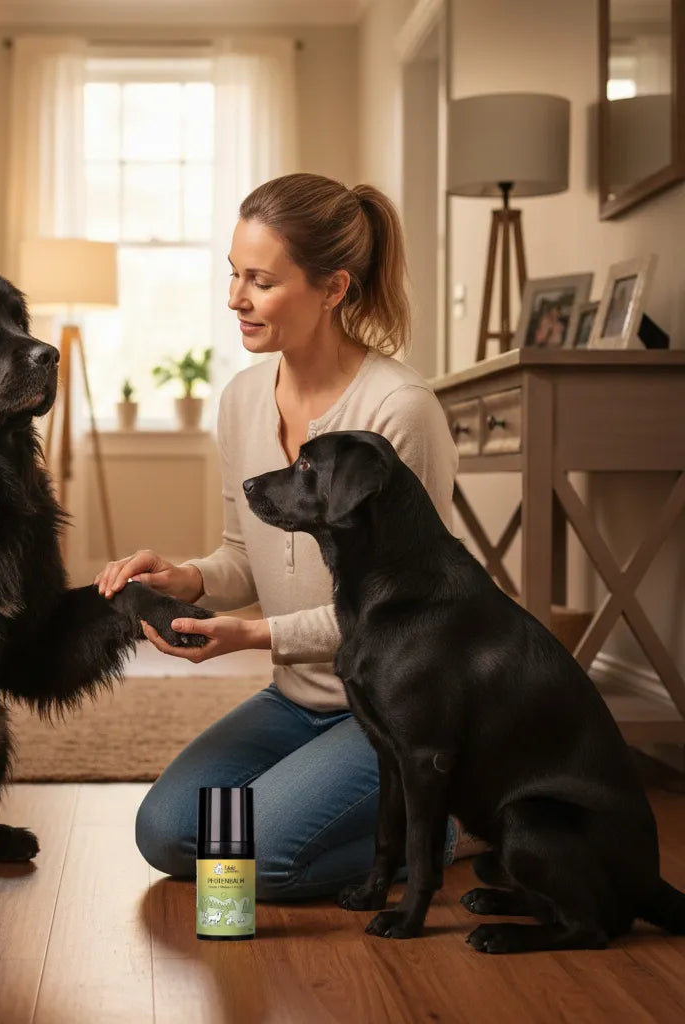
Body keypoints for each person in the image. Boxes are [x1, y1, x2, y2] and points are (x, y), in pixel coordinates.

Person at [95, 172, 470, 901]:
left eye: (260, 282)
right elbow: (244, 554)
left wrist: (253, 635)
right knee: (166, 833)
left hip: (393, 710)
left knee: (250, 861)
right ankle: (389, 823)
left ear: (332, 289)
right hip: (295, 702)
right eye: (233, 274)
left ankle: (442, 828)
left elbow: (410, 612)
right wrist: (185, 579)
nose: (235, 298)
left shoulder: (399, 409)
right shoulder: (241, 400)